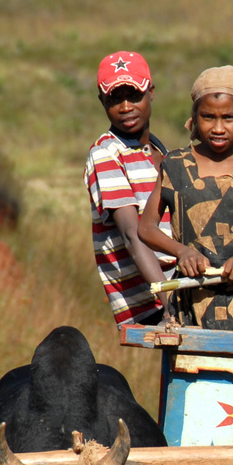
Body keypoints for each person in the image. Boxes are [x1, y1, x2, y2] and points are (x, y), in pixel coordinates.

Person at [136, 66, 233, 331]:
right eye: (207, 117)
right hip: (191, 302)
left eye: (228, 117)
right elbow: (145, 228)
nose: (218, 127)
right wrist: (182, 252)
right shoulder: (175, 166)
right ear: (194, 117)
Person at [83, 50, 173, 327]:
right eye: (114, 99)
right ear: (102, 101)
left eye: (133, 95)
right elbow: (132, 236)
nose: (125, 107)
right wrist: (171, 304)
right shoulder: (107, 154)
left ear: (151, 93)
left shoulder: (160, 151)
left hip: (181, 285)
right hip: (153, 300)